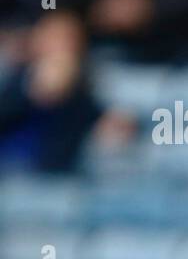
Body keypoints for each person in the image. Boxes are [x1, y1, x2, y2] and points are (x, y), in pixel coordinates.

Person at [0, 12, 131, 174]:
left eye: (70, 39)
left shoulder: (87, 88)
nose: (62, 47)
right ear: (37, 42)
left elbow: (93, 128)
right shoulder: (15, 78)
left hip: (59, 179)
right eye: (54, 38)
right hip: (10, 172)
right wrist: (32, 92)